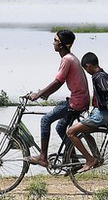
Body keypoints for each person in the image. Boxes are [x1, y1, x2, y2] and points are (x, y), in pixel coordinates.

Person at [27, 29, 90, 167]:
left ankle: (43, 157)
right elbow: (59, 82)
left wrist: (38, 94)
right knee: (61, 128)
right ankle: (73, 159)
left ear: (61, 45)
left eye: (55, 40)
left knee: (45, 120)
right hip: (80, 100)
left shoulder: (67, 60)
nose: (53, 43)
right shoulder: (71, 58)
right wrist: (45, 93)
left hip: (76, 102)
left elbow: (58, 82)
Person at [67, 52, 108, 172]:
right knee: (84, 132)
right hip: (102, 114)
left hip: (101, 115)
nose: (87, 71)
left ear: (88, 65)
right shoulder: (104, 75)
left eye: (86, 69)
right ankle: (96, 157)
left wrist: (106, 106)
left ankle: (89, 159)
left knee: (70, 132)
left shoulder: (99, 77)